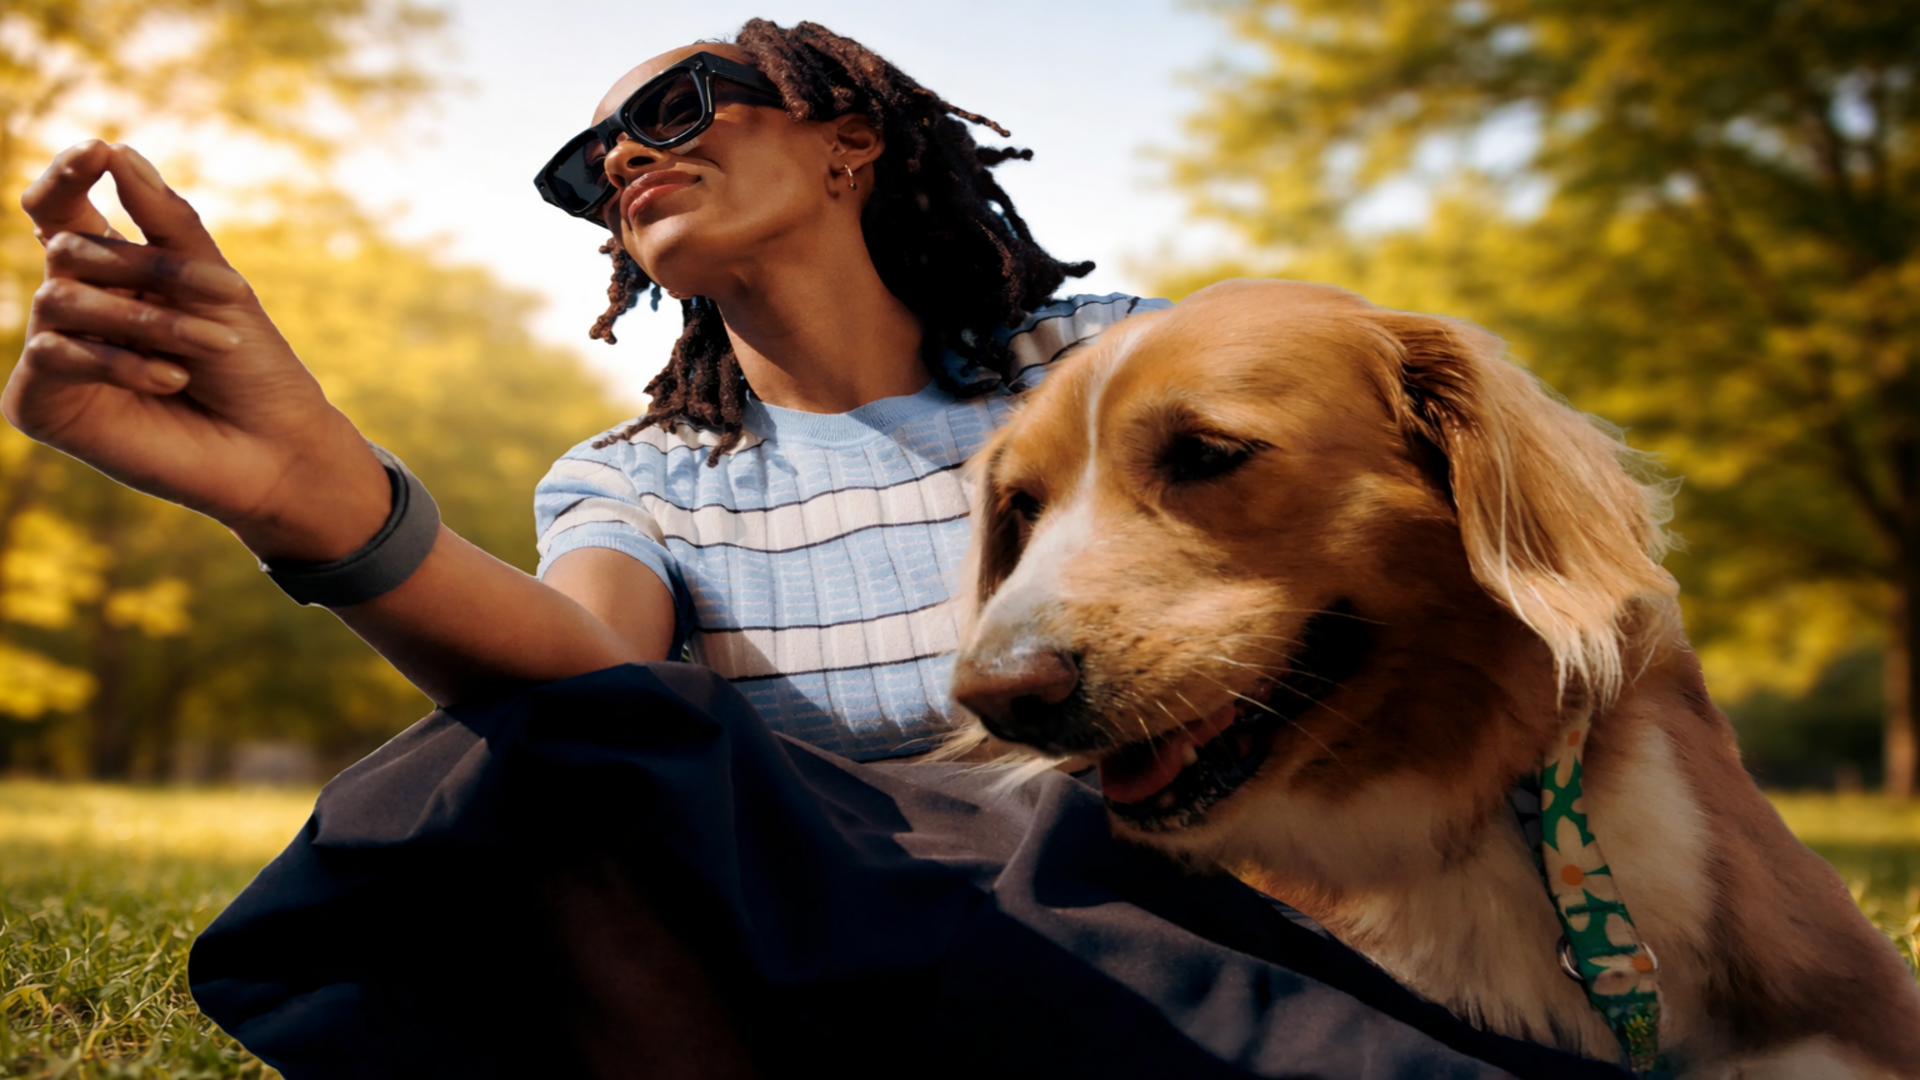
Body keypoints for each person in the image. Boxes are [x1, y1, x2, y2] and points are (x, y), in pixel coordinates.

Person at [7, 19, 1631, 1080]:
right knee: (508, 760)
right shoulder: (635, 479)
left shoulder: (1116, 370)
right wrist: (321, 503)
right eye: (592, 166)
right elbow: (586, 675)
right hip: (845, 961)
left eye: (673, 105)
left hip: (1161, 921)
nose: (628, 157)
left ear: (849, 139)